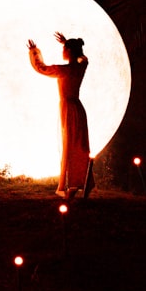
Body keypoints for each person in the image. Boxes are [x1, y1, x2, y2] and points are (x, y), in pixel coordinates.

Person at [27, 32, 95, 199]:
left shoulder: (64, 70)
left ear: (69, 51)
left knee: (70, 146)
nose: (62, 51)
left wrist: (34, 52)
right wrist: (67, 43)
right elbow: (84, 59)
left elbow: (41, 68)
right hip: (78, 108)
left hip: (68, 110)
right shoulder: (80, 67)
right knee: (80, 147)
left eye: (64, 49)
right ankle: (81, 184)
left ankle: (71, 186)